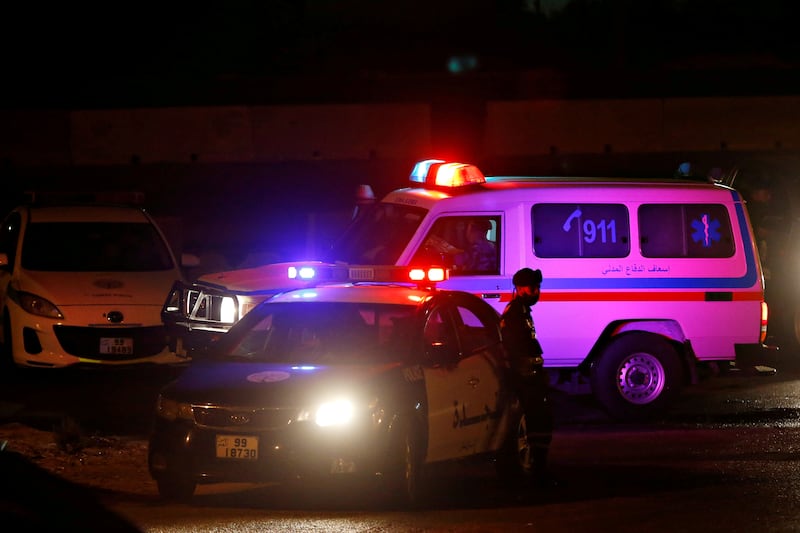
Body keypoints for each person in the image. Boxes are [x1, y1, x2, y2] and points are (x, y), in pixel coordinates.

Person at [500, 267, 554, 487]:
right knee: (537, 424)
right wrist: (528, 376)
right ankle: (537, 473)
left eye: (538, 287)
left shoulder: (522, 312)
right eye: (533, 287)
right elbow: (515, 349)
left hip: (532, 378)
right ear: (521, 288)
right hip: (525, 380)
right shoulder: (514, 314)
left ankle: (539, 468)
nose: (537, 292)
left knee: (541, 423)